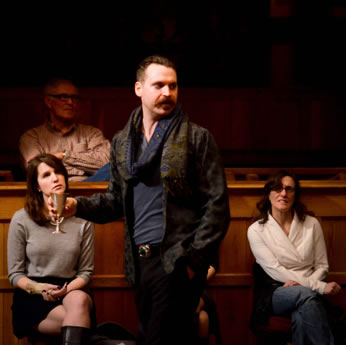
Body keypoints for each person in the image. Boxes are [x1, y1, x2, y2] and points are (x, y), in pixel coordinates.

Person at [50, 55, 230, 345]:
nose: (167, 93)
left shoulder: (197, 138)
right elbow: (115, 201)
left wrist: (192, 260)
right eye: (158, 85)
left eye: (172, 86)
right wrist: (77, 205)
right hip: (139, 260)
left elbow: (217, 207)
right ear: (139, 89)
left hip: (176, 258)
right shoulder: (124, 141)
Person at [7, 153, 95, 345]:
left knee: (79, 301)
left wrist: (65, 290)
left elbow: (86, 272)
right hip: (34, 294)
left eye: (58, 172)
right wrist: (40, 288)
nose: (55, 178)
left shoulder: (83, 220)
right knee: (79, 320)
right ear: (37, 186)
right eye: (46, 175)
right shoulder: (21, 219)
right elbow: (15, 274)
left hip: (71, 289)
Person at [247, 169, 341, 345]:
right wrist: (318, 287)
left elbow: (322, 265)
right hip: (275, 290)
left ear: (295, 194)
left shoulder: (311, 224)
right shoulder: (256, 230)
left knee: (301, 313)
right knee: (307, 295)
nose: (283, 193)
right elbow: (275, 270)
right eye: (278, 188)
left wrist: (305, 284)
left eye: (289, 189)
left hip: (308, 289)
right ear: (268, 194)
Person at [19, 78, 111, 181]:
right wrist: (85, 166)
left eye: (74, 98)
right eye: (63, 97)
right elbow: (35, 169)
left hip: (89, 189)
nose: (70, 102)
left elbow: (107, 164)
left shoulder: (92, 134)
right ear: (48, 101)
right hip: (52, 190)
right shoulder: (32, 137)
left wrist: (63, 155)